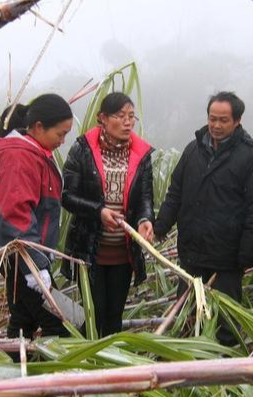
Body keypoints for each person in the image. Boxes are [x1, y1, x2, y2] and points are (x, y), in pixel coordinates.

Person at [154, 91, 253, 345]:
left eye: (223, 120)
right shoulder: (193, 150)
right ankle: (184, 363)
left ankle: (223, 369)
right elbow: (175, 193)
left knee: (225, 320)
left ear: (238, 121)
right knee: (185, 313)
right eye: (212, 119)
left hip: (227, 259)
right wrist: (160, 227)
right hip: (191, 253)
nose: (216, 126)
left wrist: (248, 256)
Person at [61, 92, 155, 337]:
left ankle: (111, 368)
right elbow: (67, 196)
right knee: (94, 313)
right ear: (102, 118)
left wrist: (145, 220)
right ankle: (90, 364)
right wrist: (99, 211)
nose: (127, 122)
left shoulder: (141, 154)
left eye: (131, 116)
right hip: (89, 250)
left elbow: (145, 197)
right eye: (120, 116)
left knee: (114, 315)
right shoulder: (83, 149)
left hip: (123, 252)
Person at [0, 93, 73, 340]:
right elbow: (16, 213)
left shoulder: (35, 152)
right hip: (20, 254)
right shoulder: (17, 156)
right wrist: (35, 266)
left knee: (24, 319)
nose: (63, 141)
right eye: (60, 134)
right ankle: (56, 375)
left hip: (27, 253)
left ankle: (18, 373)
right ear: (38, 127)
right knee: (63, 323)